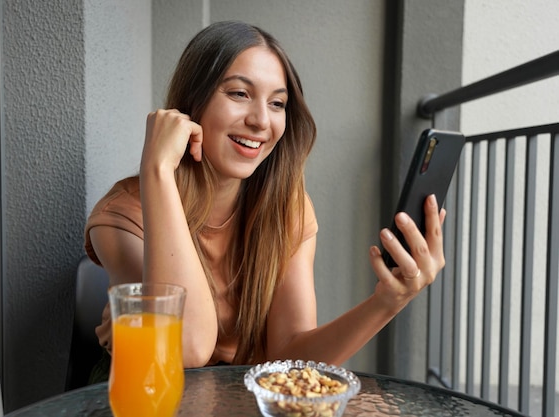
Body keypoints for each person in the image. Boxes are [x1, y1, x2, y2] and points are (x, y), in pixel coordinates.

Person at [84, 20, 446, 380]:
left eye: (277, 103)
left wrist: (387, 301)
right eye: (239, 94)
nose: (261, 121)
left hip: (241, 394)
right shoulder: (123, 215)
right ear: (191, 103)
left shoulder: (286, 208)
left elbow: (291, 358)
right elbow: (186, 347)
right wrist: (158, 170)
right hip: (142, 390)